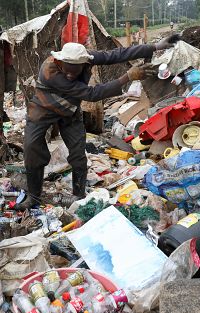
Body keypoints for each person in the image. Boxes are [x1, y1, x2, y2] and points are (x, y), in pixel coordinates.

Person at [14, 36, 178, 210]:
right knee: (32, 148)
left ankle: (79, 195)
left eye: (74, 72)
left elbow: (116, 54)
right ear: (58, 61)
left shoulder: (86, 58)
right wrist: (127, 77)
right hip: (43, 109)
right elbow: (91, 94)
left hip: (69, 110)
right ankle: (33, 197)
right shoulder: (49, 71)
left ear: (84, 63)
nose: (70, 75)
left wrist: (155, 46)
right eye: (66, 71)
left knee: (78, 152)